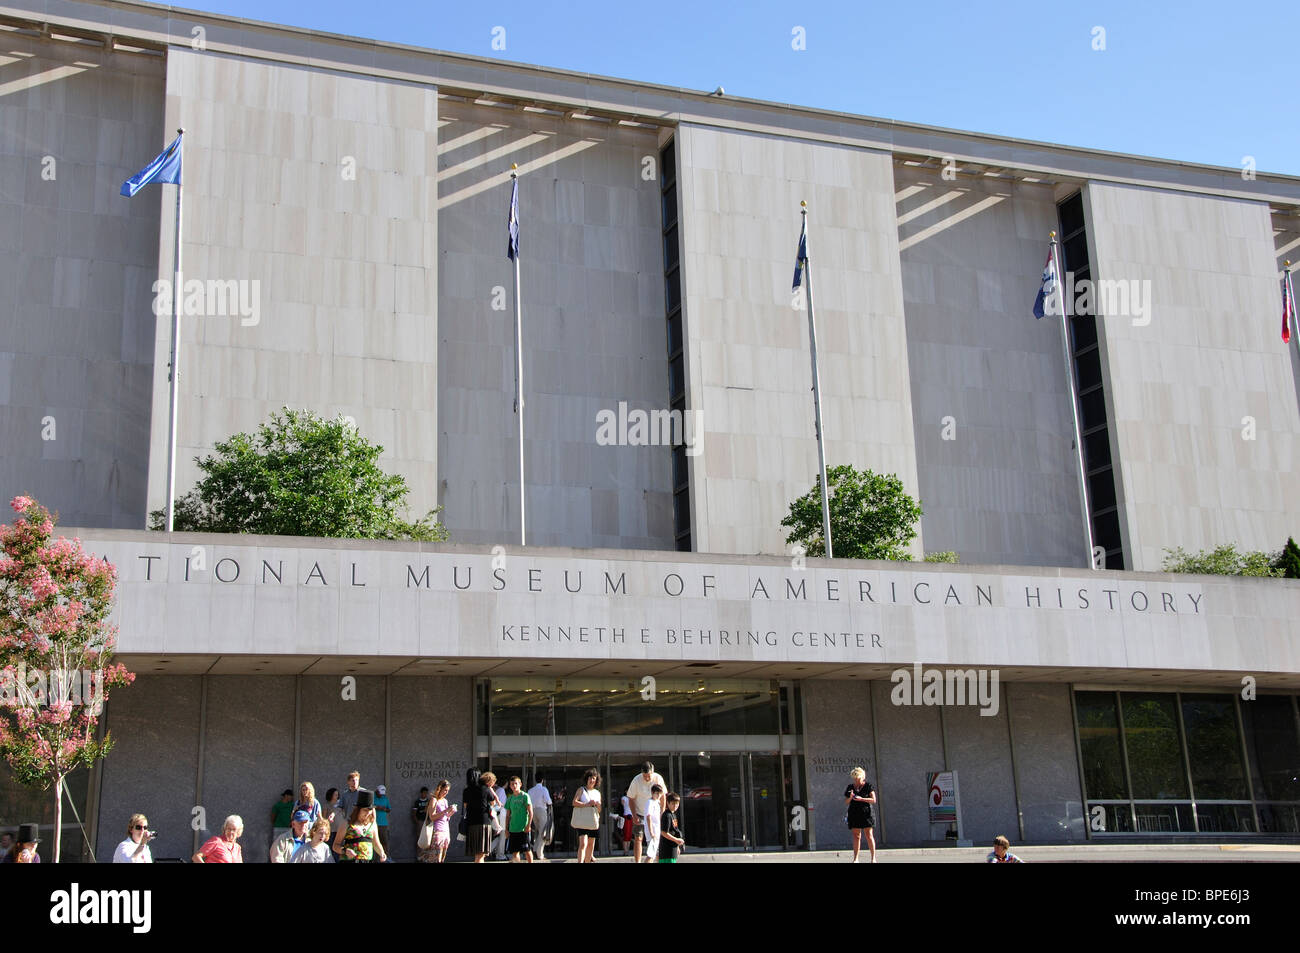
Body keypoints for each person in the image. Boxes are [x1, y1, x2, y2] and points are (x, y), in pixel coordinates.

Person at [626, 761, 666, 863]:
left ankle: (656, 859)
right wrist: (634, 815)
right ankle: (638, 861)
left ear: (652, 772)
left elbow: (663, 796)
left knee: (656, 838)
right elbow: (630, 798)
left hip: (655, 815)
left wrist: (662, 812)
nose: (647, 778)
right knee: (638, 837)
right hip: (640, 813)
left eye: (649, 776)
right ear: (641, 773)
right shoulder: (636, 780)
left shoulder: (658, 778)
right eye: (645, 776)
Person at [333, 789, 386, 863]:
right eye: (365, 810)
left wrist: (382, 853)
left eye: (370, 810)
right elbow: (335, 845)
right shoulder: (347, 824)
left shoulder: (372, 825)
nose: (368, 813)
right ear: (358, 810)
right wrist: (345, 851)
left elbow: (376, 844)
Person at [418, 779, 456, 863]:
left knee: (442, 858)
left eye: (448, 790)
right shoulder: (434, 800)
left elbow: (445, 818)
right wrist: (446, 811)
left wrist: (450, 812)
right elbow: (432, 817)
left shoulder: (445, 801)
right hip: (437, 831)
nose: (446, 792)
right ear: (440, 788)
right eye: (445, 790)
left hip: (445, 832)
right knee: (435, 859)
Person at [844, 766, 877, 863]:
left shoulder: (868, 786)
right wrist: (850, 797)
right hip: (854, 813)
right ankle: (856, 859)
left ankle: (873, 858)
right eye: (854, 778)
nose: (856, 780)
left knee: (869, 835)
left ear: (862, 777)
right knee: (856, 835)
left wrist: (861, 799)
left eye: (857, 778)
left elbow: (873, 800)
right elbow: (846, 802)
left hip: (866, 813)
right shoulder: (850, 787)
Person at [463, 770, 496, 863]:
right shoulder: (485, 788)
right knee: (481, 854)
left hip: (471, 824)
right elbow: (493, 802)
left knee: (477, 854)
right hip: (483, 823)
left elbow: (466, 806)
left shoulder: (466, 790)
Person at [571, 768, 602, 864]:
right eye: (590, 778)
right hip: (583, 821)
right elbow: (574, 802)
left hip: (593, 821)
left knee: (591, 844)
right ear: (586, 779)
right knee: (583, 843)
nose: (591, 780)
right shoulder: (581, 790)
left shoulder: (597, 793)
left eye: (593, 778)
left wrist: (597, 805)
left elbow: (599, 811)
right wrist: (587, 804)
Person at [504, 775, 534, 863]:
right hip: (513, 829)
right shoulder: (510, 799)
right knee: (515, 851)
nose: (514, 786)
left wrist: (528, 825)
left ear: (520, 784)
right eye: (512, 784)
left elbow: (531, 812)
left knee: (527, 850)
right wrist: (506, 829)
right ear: (510, 786)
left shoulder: (525, 796)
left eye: (516, 783)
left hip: (523, 829)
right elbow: (508, 815)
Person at [527, 773, 553, 860]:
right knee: (543, 832)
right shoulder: (543, 789)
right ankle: (539, 853)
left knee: (539, 831)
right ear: (542, 780)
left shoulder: (530, 790)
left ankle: (535, 849)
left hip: (532, 811)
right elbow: (548, 801)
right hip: (541, 810)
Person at [658, 792, 684, 864]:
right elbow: (664, 832)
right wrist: (676, 840)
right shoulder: (667, 815)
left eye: (677, 803)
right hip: (667, 848)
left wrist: (677, 846)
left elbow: (674, 830)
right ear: (668, 803)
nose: (675, 806)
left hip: (673, 847)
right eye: (673, 803)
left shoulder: (673, 815)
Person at [642, 783, 664, 862]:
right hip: (652, 834)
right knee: (651, 855)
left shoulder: (657, 803)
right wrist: (651, 832)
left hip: (657, 833)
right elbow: (648, 817)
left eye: (660, 793)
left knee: (658, 854)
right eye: (657, 793)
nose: (658, 795)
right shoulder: (650, 802)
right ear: (652, 793)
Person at [374, 784, 392, 859]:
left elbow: (389, 809)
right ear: (377, 791)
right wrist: (377, 807)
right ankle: (374, 859)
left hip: (383, 824)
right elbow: (369, 806)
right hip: (374, 823)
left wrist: (384, 809)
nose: (381, 795)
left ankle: (386, 858)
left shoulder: (385, 798)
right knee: (374, 842)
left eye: (382, 794)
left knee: (384, 841)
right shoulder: (372, 797)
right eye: (380, 794)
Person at [492, 776, 508, 860]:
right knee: (502, 835)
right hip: (501, 814)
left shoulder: (497, 790)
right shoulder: (501, 790)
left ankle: (491, 850)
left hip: (496, 814)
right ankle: (500, 854)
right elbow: (501, 804)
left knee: (498, 836)